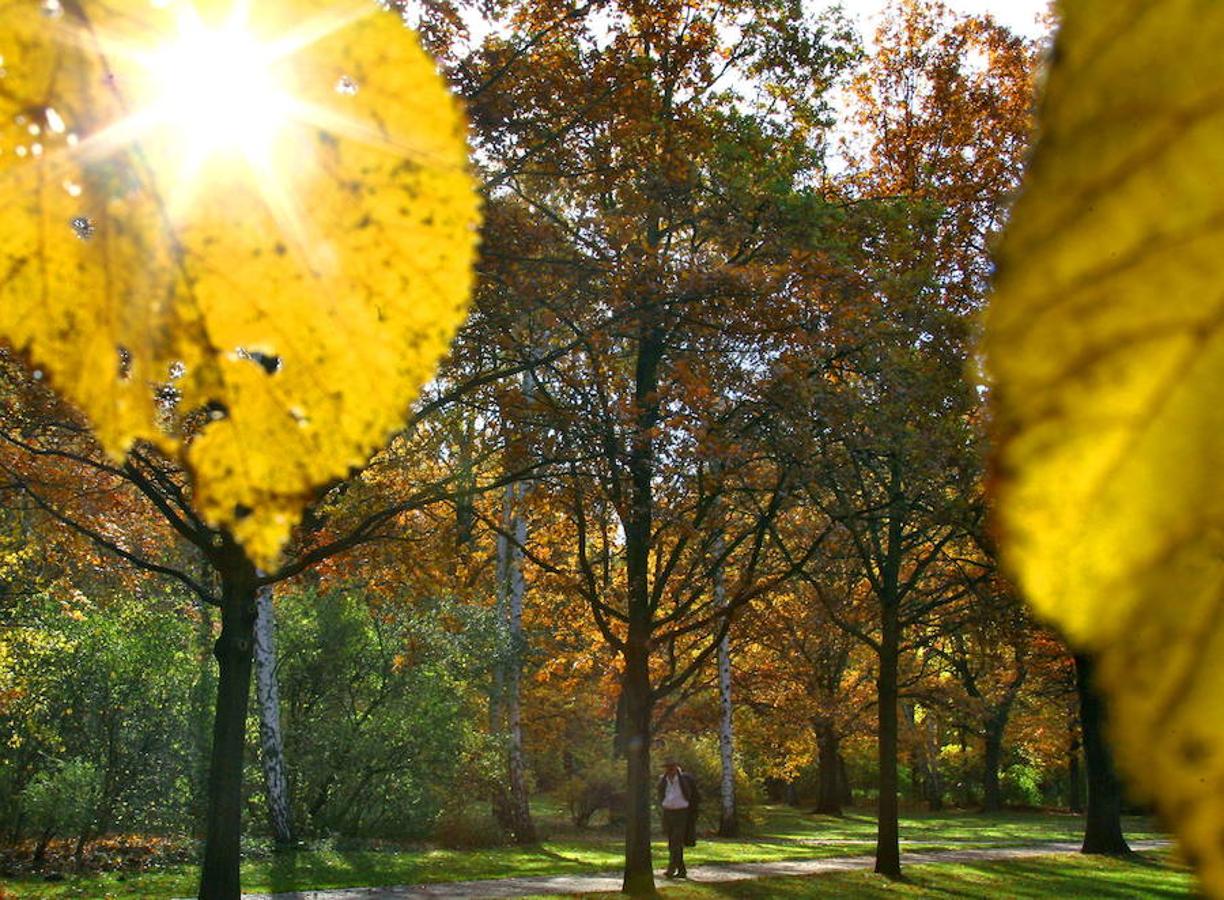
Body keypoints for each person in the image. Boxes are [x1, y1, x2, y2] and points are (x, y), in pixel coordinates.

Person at [656, 759, 700, 879]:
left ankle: (671, 868)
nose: (669, 770)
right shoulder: (663, 779)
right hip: (668, 812)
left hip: (682, 813)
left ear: (676, 767)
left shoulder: (685, 779)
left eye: (671, 767)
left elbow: (695, 796)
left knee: (676, 841)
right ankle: (682, 870)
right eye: (667, 768)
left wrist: (694, 812)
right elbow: (660, 793)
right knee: (673, 843)